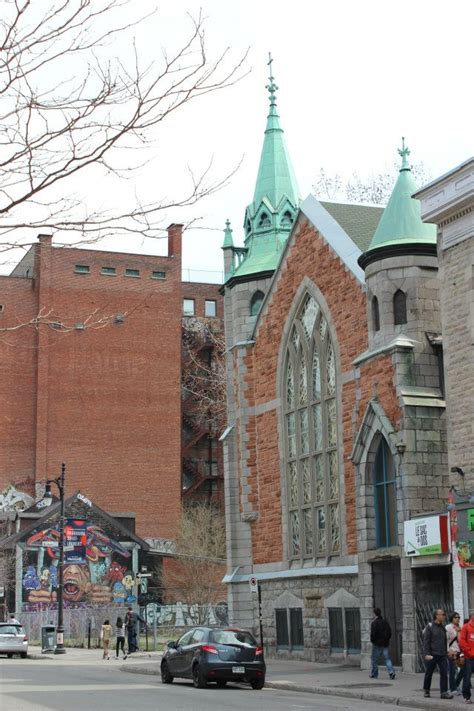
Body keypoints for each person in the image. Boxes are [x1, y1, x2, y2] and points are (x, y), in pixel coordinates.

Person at [422, 608, 453, 699]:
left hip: (442, 654)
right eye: (442, 614)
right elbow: (426, 642)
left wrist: (447, 651)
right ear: (436, 616)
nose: (443, 616)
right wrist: (426, 654)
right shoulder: (430, 627)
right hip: (432, 654)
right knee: (429, 673)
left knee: (444, 673)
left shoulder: (443, 628)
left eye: (444, 614)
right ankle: (426, 690)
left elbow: (445, 641)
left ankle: (443, 692)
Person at [370, 608, 396, 680]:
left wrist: (373, 641)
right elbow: (389, 632)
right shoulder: (385, 622)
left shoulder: (374, 623)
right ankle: (391, 672)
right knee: (387, 659)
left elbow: (373, 634)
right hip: (385, 644)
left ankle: (374, 674)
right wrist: (386, 640)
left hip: (377, 644)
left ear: (375, 614)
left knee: (374, 659)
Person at [446, 612, 464, 695]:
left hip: (459, 651)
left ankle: (456, 685)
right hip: (452, 651)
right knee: (452, 670)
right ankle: (452, 688)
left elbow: (461, 641)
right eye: (455, 617)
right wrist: (448, 650)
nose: (457, 619)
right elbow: (445, 640)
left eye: (458, 617)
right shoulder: (448, 627)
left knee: (463, 668)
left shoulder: (460, 628)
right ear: (451, 618)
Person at [459, 610, 474, 703]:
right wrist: (469, 652)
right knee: (467, 677)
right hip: (469, 657)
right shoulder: (466, 627)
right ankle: (466, 696)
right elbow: (462, 641)